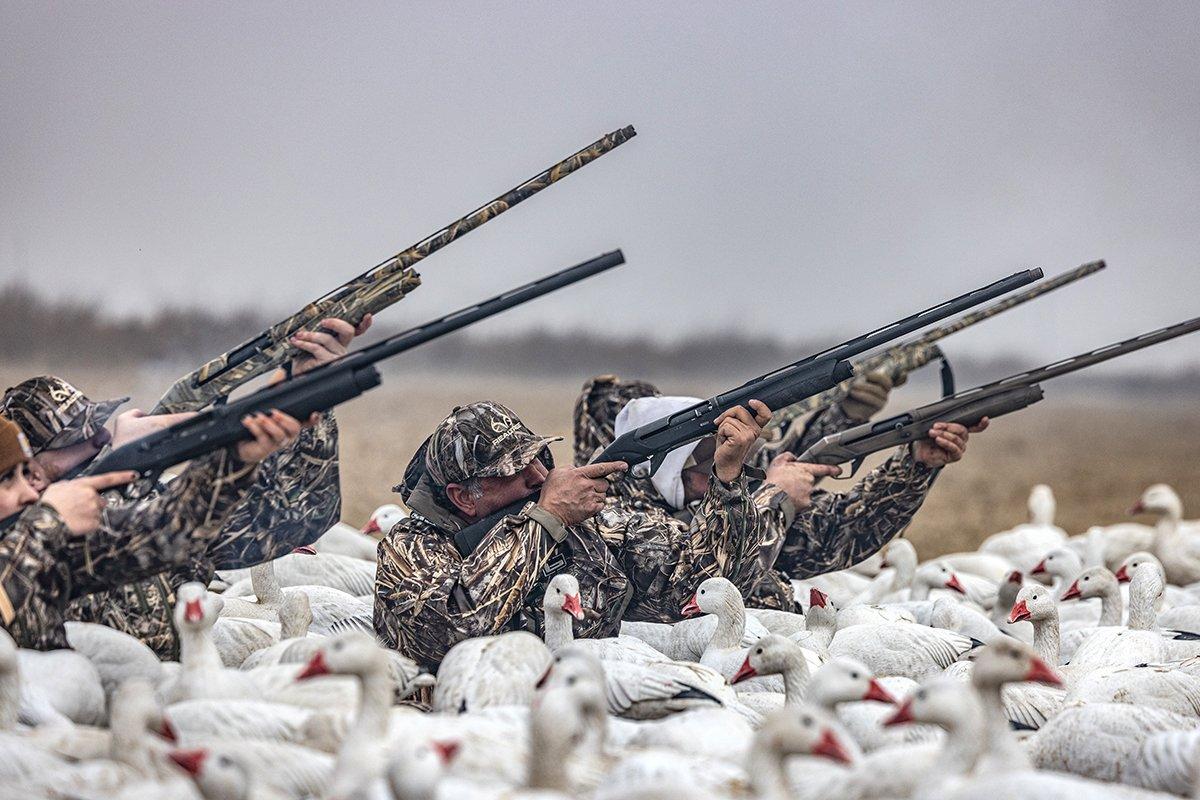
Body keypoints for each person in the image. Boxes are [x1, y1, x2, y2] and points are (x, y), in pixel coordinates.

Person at [1, 314, 369, 656]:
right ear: (28, 466)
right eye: (75, 439)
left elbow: (291, 516)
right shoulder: (34, 542)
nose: (100, 439)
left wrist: (305, 394)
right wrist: (83, 500)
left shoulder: (118, 515)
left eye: (98, 425)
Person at [375, 399, 808, 670]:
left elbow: (694, 588)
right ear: (463, 497)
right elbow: (456, 628)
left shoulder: (584, 524)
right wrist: (545, 521)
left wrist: (727, 478)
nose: (540, 475)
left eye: (540, 458)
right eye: (515, 470)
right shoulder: (411, 547)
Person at [573, 372, 981, 611]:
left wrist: (917, 463)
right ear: (659, 471)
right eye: (705, 465)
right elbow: (704, 579)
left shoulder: (709, 501)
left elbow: (840, 532)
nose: (718, 476)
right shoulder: (610, 516)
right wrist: (775, 498)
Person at [0, 411, 299, 649]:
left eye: (25, 475)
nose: (29, 492)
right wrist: (47, 521)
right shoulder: (37, 538)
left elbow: (167, 530)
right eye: (6, 480)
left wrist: (236, 457)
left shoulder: (43, 547)